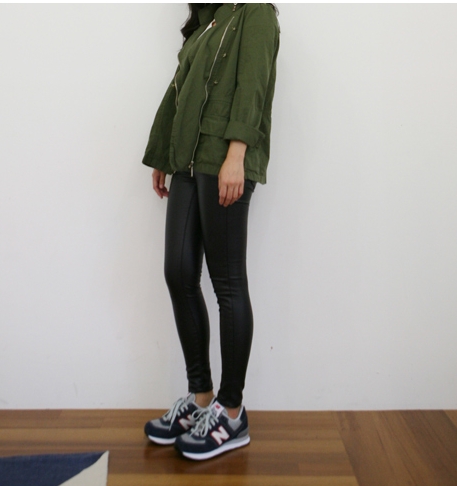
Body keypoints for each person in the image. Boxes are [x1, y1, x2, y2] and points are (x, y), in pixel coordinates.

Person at [141, 3, 280, 460]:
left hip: (223, 160)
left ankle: (232, 412)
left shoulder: (255, 12)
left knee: (227, 284)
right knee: (178, 272)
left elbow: (253, 85)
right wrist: (164, 154)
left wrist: (237, 154)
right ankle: (201, 398)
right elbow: (178, 93)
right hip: (187, 160)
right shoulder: (205, 26)